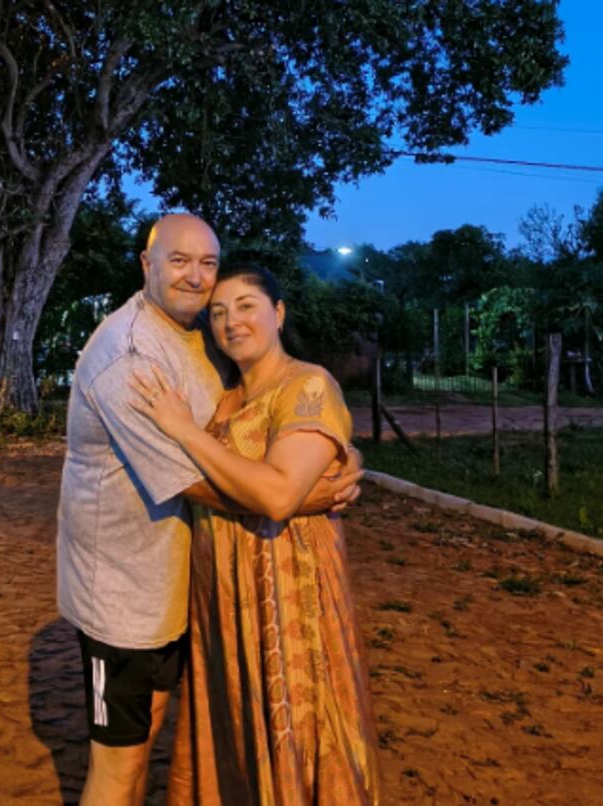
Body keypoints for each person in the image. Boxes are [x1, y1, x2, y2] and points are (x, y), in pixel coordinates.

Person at [56, 215, 360, 806]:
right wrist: (306, 493)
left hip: (189, 588)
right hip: (124, 596)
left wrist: (339, 456)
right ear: (146, 265)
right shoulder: (129, 358)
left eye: (208, 264)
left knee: (149, 743)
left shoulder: (199, 337)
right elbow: (195, 478)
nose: (197, 280)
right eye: (178, 261)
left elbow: (277, 411)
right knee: (119, 765)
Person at [130, 263, 380, 804]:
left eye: (246, 306)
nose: (231, 322)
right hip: (224, 596)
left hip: (290, 595)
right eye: (218, 313)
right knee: (237, 725)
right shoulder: (226, 400)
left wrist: (182, 431)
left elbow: (276, 496)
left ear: (279, 313)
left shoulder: (306, 384)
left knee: (294, 724)